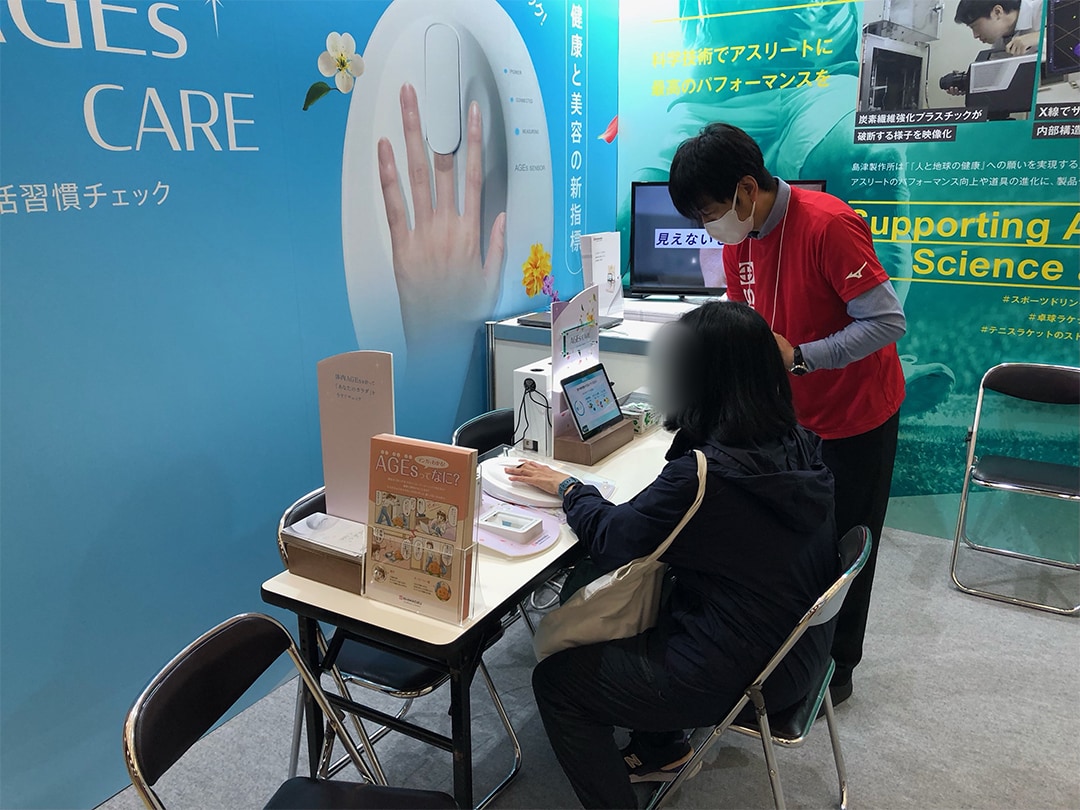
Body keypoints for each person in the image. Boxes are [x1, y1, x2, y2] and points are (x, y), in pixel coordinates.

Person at [510, 301, 838, 809]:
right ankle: (660, 749)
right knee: (660, 591)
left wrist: (573, 490)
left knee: (558, 685)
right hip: (800, 651)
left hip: (745, 670)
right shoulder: (798, 442)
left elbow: (616, 540)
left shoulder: (705, 476)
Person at [668, 123, 906, 707]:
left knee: (845, 544)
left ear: (747, 189)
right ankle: (783, 656)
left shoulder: (828, 225)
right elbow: (744, 319)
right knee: (790, 547)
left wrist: (801, 357)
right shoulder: (738, 237)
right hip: (788, 417)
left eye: (710, 211)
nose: (709, 227)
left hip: (855, 414)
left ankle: (838, 666)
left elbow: (886, 322)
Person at [955, 0, 1044, 58]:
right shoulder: (999, 42)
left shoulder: (1046, 8)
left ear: (997, 12)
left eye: (974, 26)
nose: (975, 35)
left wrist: (1040, 38)